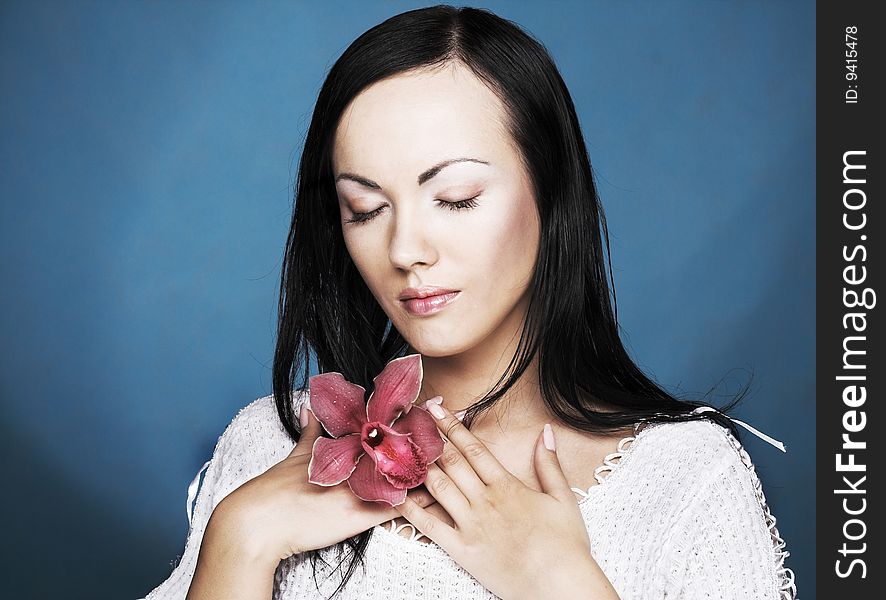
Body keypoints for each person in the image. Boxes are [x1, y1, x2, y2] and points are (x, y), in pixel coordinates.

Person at [142, 5, 797, 599]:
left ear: (551, 191)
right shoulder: (271, 445)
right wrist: (240, 538)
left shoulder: (682, 482)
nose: (405, 249)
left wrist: (558, 583)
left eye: (455, 198)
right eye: (365, 209)